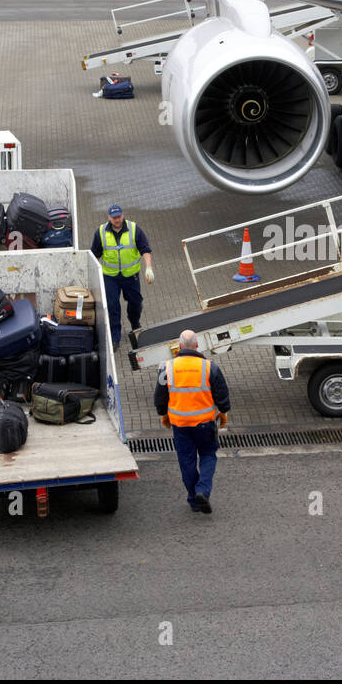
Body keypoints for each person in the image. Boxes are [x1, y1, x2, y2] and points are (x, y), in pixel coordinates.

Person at [154, 330, 230, 514]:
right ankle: (202, 491)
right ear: (197, 346)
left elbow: (159, 398)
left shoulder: (167, 368)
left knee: (186, 461)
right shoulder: (209, 368)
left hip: (180, 425)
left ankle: (194, 500)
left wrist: (163, 414)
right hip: (204, 424)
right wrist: (223, 411)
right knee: (208, 455)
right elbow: (222, 395)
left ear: (179, 347)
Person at [91, 204, 153, 348]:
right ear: (109, 218)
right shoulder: (100, 232)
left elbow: (145, 248)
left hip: (131, 276)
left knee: (136, 303)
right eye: (114, 217)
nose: (117, 220)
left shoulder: (134, 229)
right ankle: (115, 337)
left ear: (122, 215)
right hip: (110, 277)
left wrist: (148, 267)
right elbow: (94, 255)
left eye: (118, 216)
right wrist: (94, 275)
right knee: (112, 306)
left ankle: (134, 323)